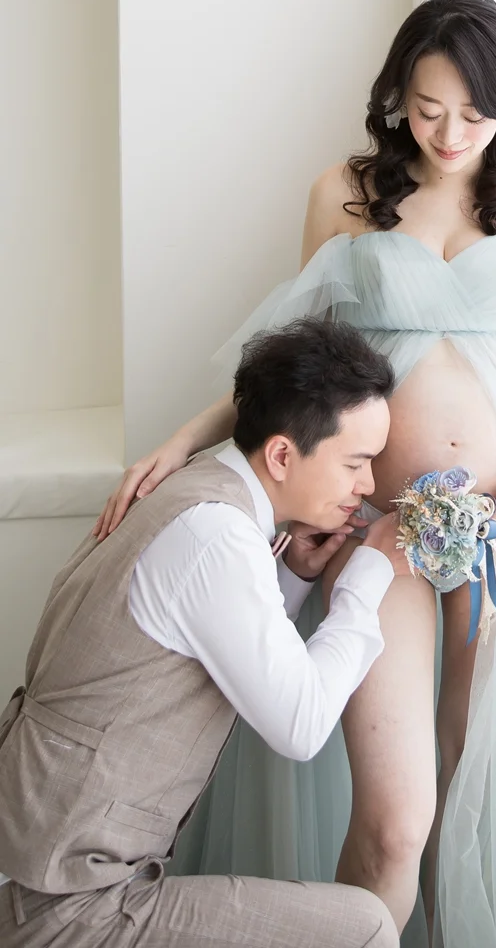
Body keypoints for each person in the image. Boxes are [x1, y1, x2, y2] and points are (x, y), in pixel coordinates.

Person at [96, 0, 496, 948]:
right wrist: (184, 439)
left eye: (474, 113)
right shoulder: (343, 193)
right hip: (384, 532)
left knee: (478, 799)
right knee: (394, 824)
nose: (450, 134)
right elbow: (290, 370)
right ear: (396, 99)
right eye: (427, 109)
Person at [0, 320, 407, 948]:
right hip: (60, 900)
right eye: (356, 462)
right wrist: (368, 577)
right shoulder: (216, 536)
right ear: (281, 455)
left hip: (37, 859)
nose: (369, 485)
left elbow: (210, 644)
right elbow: (301, 726)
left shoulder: (194, 490)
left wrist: (295, 575)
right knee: (368, 928)